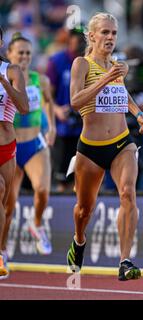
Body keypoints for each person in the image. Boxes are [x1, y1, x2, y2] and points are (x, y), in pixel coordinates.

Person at [67, 12, 143, 281]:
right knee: (84, 210)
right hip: (91, 148)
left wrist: (140, 116)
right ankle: (79, 241)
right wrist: (106, 78)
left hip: (122, 142)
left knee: (128, 193)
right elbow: (75, 101)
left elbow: (121, 94)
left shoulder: (117, 65)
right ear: (91, 36)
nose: (110, 38)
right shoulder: (82, 64)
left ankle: (125, 261)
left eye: (114, 33)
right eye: (105, 32)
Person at [2, 33, 56, 258]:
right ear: (10, 54)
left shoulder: (39, 79)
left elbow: (49, 103)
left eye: (27, 53)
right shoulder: (8, 72)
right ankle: (2, 249)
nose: (24, 57)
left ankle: (37, 224)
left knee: (43, 189)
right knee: (9, 204)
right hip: (12, 141)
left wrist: (51, 126)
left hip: (34, 142)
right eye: (20, 53)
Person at [0, 27, 29, 279]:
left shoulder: (11, 71)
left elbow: (23, 107)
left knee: (5, 202)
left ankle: (0, 250)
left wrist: (2, 82)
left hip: (7, 144)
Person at [46, 26, 85, 192]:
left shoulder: (90, 61)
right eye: (76, 37)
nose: (80, 41)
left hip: (85, 128)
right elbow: (47, 95)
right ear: (69, 39)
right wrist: (56, 110)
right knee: (63, 179)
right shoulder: (56, 61)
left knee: (84, 178)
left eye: (83, 38)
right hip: (63, 129)